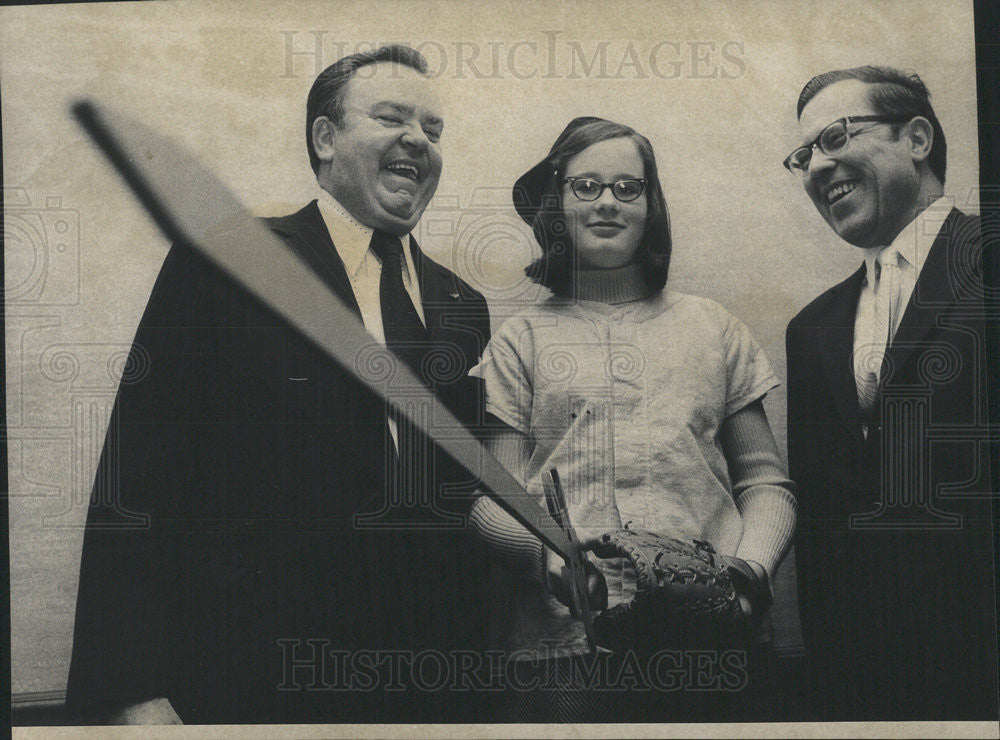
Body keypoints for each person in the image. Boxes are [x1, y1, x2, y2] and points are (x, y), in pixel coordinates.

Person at [65, 45, 492, 725]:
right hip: (247, 679)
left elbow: (455, 501)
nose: (418, 139)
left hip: (425, 686)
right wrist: (131, 689)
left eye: (433, 130)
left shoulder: (464, 304)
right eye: (391, 117)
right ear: (325, 138)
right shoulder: (227, 262)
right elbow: (137, 480)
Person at [468, 117, 797, 722]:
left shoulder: (713, 328)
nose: (606, 204)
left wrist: (748, 577)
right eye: (585, 187)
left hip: (712, 644)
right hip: (564, 650)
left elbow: (764, 482)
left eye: (627, 187)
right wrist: (550, 562)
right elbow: (494, 496)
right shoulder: (522, 339)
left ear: (652, 206)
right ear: (557, 206)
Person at [784, 66, 998, 720]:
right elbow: (820, 533)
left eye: (836, 136)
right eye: (804, 156)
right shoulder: (810, 330)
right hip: (863, 692)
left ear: (917, 138)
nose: (818, 166)